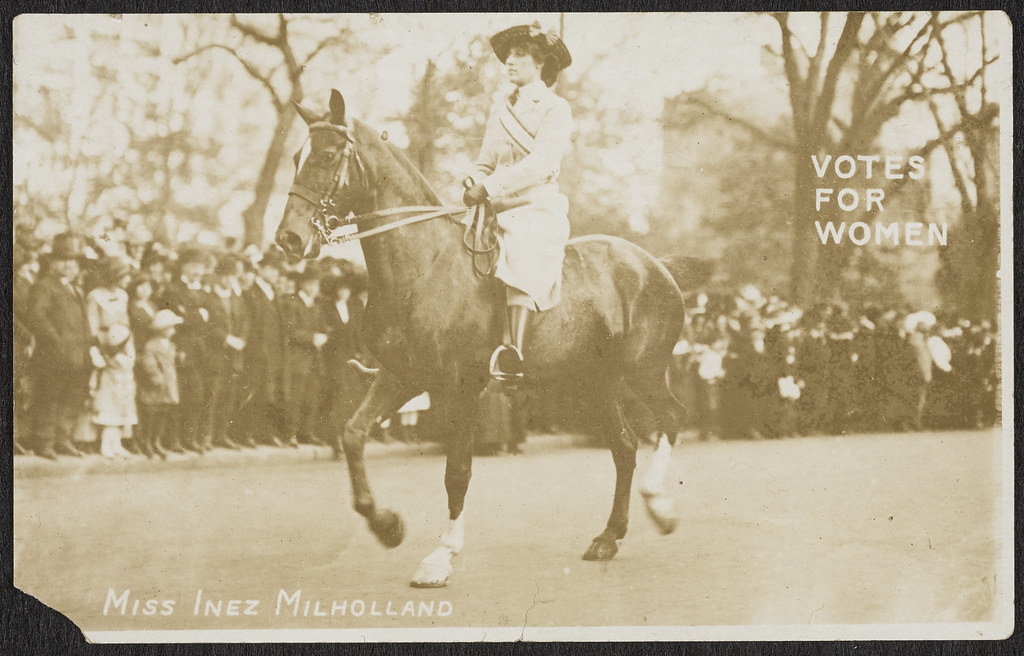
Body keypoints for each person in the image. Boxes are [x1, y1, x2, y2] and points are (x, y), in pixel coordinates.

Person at [462, 21, 574, 381]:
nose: (510, 61)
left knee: (523, 250)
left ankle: (513, 353)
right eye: (509, 55)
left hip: (533, 206)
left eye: (520, 54)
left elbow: (541, 164)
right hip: (493, 205)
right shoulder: (501, 111)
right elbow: (484, 163)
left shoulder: (555, 108)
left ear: (539, 63)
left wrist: (489, 187)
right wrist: (472, 181)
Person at [26, 233, 92, 459]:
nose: (69, 265)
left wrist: (88, 346)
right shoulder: (44, 286)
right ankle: (44, 443)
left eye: (72, 261)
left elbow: (84, 322)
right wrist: (57, 341)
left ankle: (63, 440)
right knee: (49, 398)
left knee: (71, 398)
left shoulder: (75, 289)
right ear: (52, 263)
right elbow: (36, 317)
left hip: (78, 356)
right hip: (53, 356)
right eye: (63, 260)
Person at [85, 255, 137, 458]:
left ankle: (117, 443)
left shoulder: (123, 295)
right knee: (107, 396)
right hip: (106, 350)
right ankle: (105, 442)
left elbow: (125, 322)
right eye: (124, 275)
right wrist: (101, 351)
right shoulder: (95, 296)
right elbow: (92, 326)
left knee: (122, 395)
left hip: (123, 347)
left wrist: (128, 350)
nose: (127, 280)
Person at [205, 255, 250, 450]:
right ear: (219, 276)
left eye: (232, 276)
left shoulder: (237, 299)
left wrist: (241, 340)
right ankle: (206, 436)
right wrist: (226, 339)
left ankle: (221, 435)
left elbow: (245, 321)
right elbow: (209, 326)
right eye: (226, 276)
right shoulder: (209, 298)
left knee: (228, 397)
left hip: (234, 356)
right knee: (212, 397)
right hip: (216, 354)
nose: (229, 280)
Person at [136, 310, 184, 458]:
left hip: (168, 386)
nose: (173, 331)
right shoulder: (151, 346)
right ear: (162, 330)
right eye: (170, 328)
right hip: (156, 386)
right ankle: (147, 441)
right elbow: (148, 363)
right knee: (151, 414)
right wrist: (156, 377)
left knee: (163, 414)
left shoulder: (169, 345)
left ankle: (156, 441)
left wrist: (178, 357)